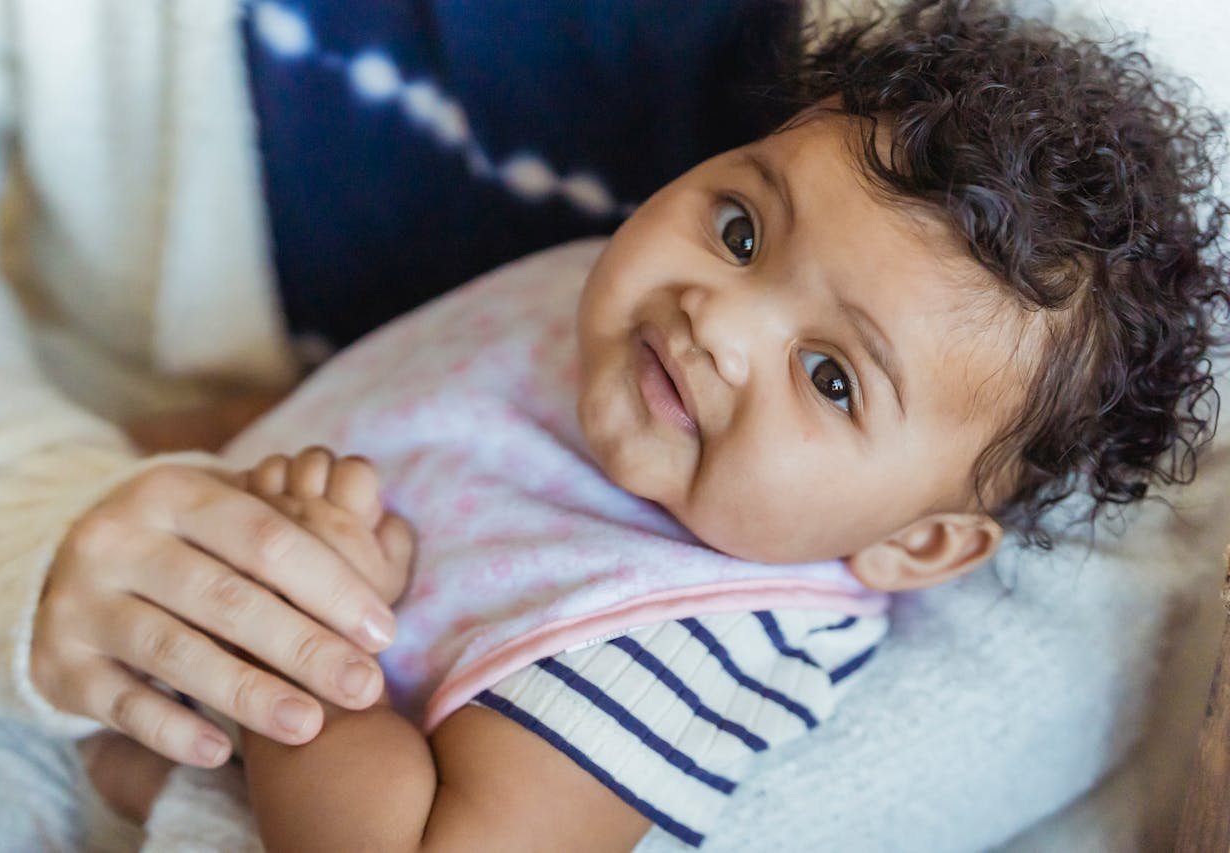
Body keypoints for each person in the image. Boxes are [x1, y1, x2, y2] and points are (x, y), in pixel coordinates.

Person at [86, 2, 1228, 848]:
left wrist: (302, 645)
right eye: (741, 231)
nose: (716, 321)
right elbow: (392, 402)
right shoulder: (601, 318)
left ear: (916, 542)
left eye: (831, 378)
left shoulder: (673, 638)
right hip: (103, 620)